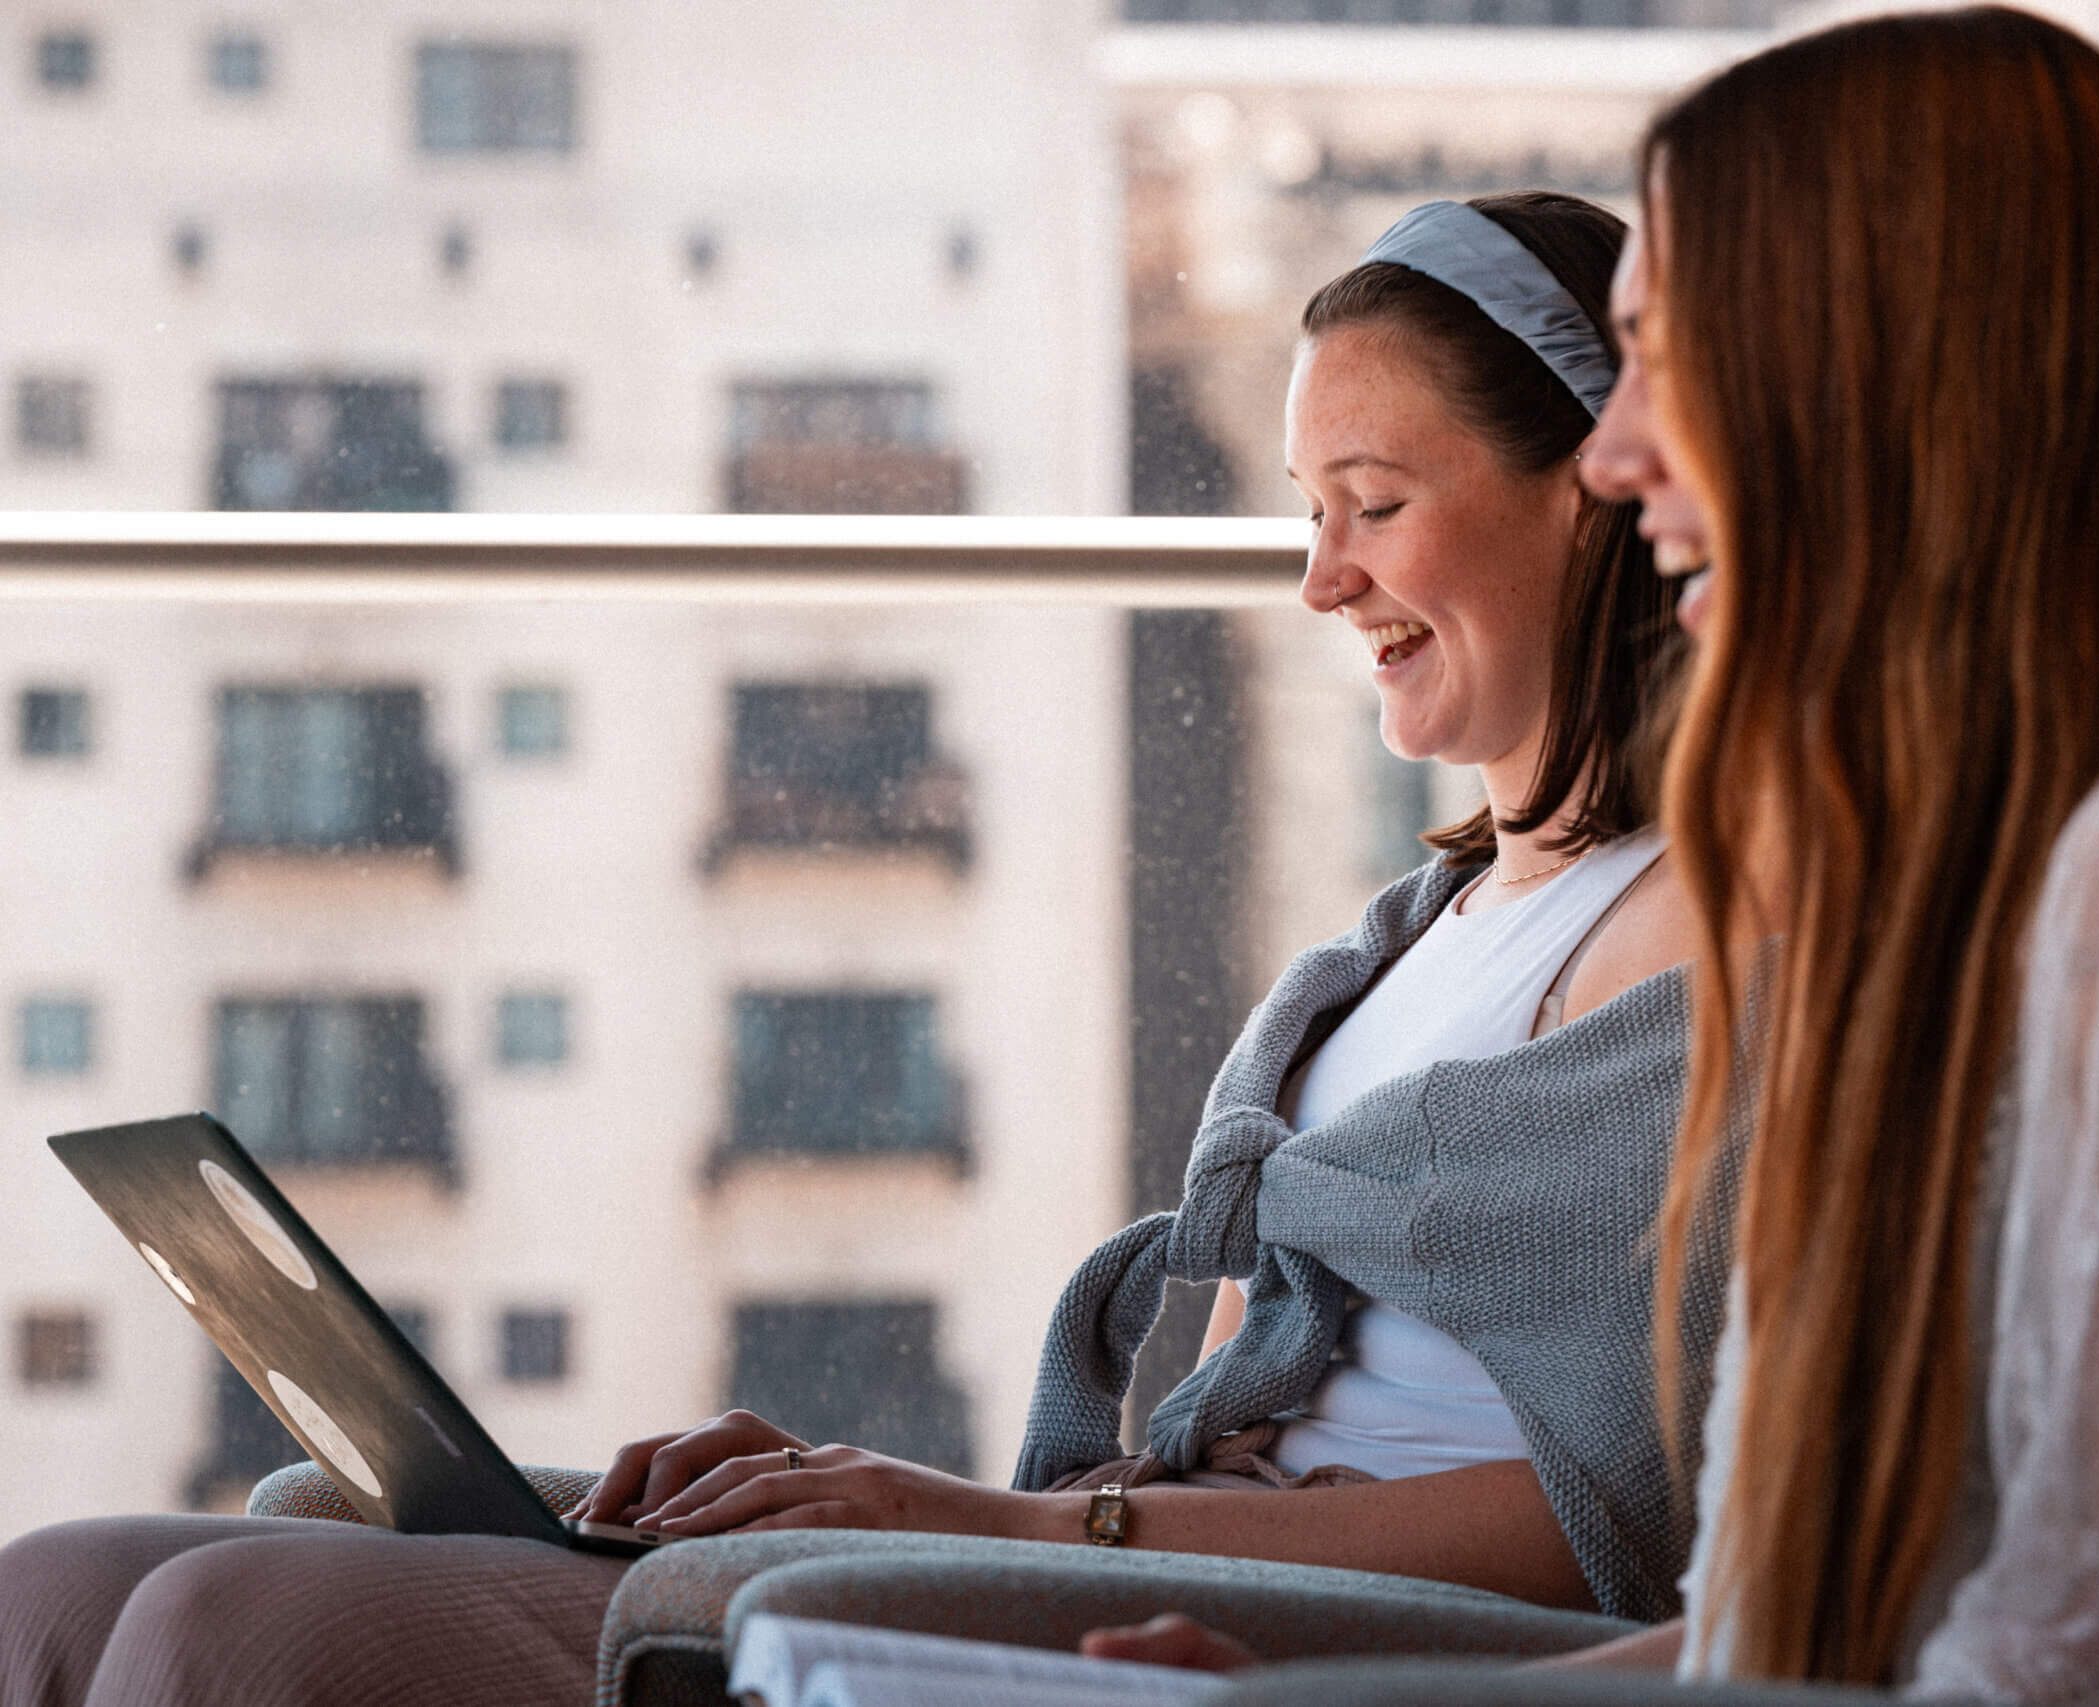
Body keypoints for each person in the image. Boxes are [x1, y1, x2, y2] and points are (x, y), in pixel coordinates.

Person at [0, 190, 1729, 1707]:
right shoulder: (1404, 941)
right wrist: (925, 1497)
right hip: (1148, 1543)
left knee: (251, 1616)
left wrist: (1003, 1522)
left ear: (1599, 497)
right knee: (70, 1586)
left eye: (1373, 502)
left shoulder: (1713, 922)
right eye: (1309, 509)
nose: (1320, 580)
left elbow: (1644, 1502)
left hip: (1310, 1611)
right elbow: (1223, 1417)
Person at [1088, 11, 2099, 1702]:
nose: (1620, 465)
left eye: (1668, 361)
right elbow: (1781, 1653)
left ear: (1879, 379)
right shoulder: (1993, 881)